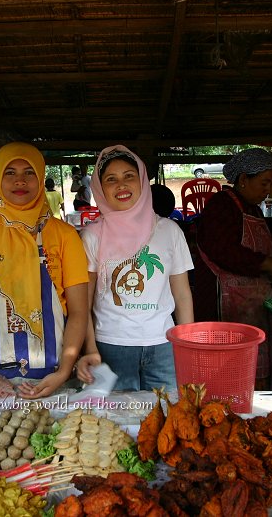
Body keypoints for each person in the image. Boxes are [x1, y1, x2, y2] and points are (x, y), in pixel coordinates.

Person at [0, 142, 89, 399]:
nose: (20, 181)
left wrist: (63, 371)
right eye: (10, 173)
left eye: (29, 172)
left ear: (40, 177)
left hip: (55, 378)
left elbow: (79, 311)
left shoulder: (64, 236)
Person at [76, 145, 194, 391]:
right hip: (111, 345)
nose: (121, 185)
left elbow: (182, 295)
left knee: (168, 417)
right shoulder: (92, 236)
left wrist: (187, 347)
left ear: (142, 181)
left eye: (129, 176)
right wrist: (90, 348)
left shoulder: (169, 231)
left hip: (164, 344)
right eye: (111, 179)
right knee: (117, 422)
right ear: (100, 188)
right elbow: (83, 303)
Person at [193, 148, 272, 389]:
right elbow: (223, 250)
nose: (268, 190)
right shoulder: (222, 206)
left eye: (270, 183)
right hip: (224, 302)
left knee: (251, 370)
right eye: (264, 183)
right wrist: (266, 263)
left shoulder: (253, 209)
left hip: (253, 304)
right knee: (224, 373)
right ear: (243, 180)